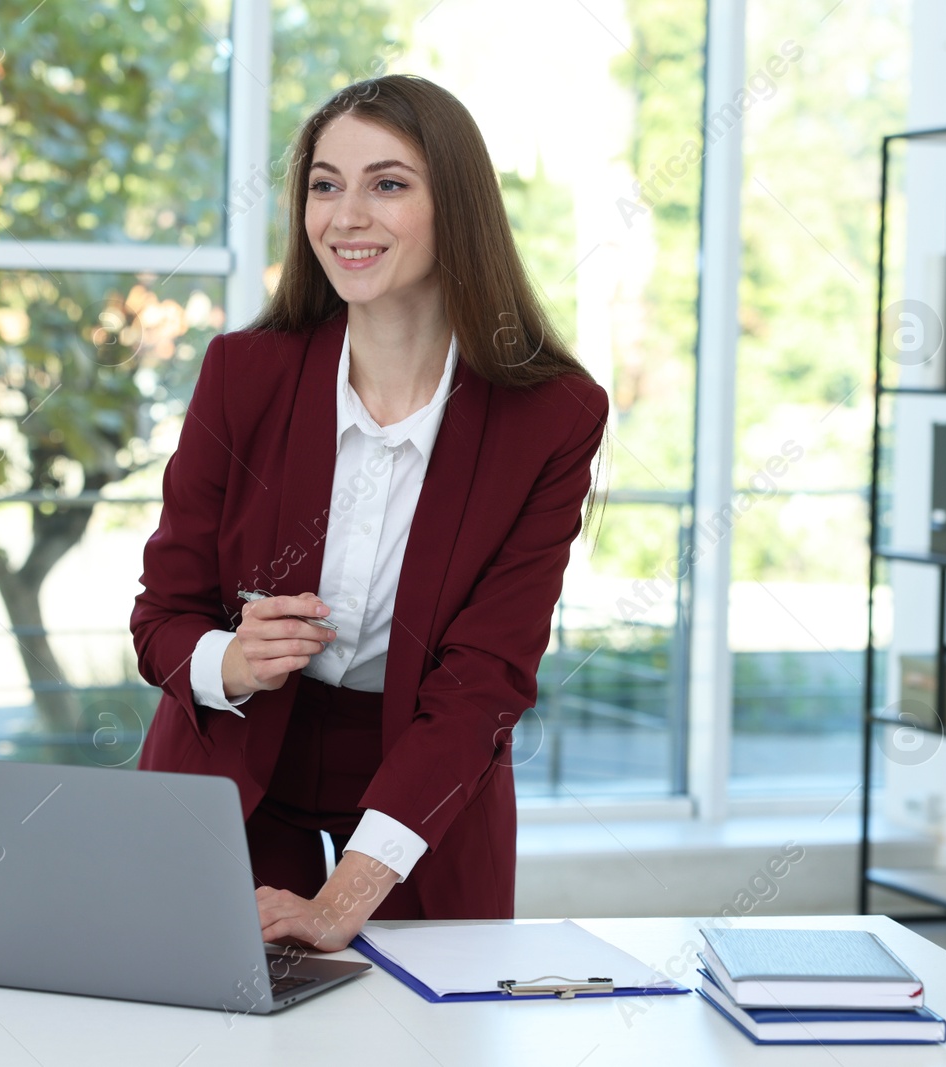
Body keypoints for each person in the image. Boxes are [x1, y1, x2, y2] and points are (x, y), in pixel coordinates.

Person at [129, 74, 610, 953]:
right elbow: (161, 616)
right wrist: (228, 660)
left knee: (420, 1032)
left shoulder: (550, 414)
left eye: (387, 184)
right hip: (235, 765)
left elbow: (486, 681)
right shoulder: (245, 375)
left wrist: (347, 891)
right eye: (325, 184)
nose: (346, 215)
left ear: (455, 206)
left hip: (423, 782)